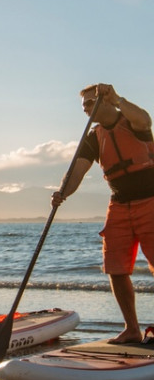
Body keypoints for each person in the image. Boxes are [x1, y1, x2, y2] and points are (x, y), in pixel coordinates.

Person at [52, 83, 154, 344]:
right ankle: (131, 329)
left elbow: (146, 120)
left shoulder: (130, 120)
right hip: (119, 204)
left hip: (150, 200)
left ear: (105, 100)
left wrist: (117, 98)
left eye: (90, 102)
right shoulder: (93, 137)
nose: (86, 109)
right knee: (116, 269)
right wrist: (63, 192)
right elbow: (77, 171)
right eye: (83, 105)